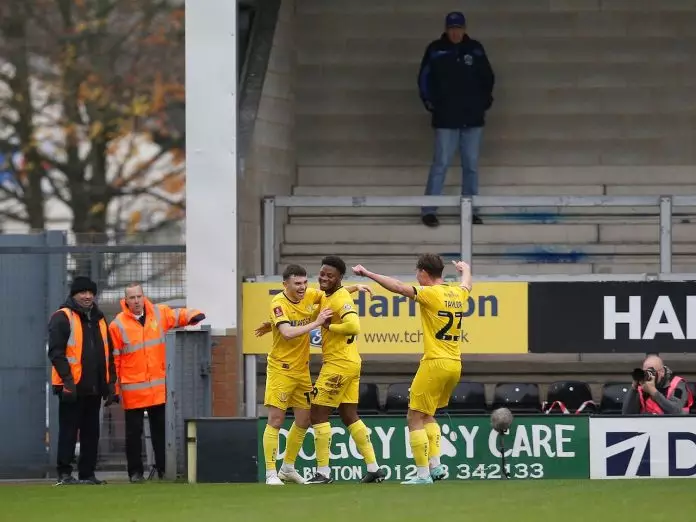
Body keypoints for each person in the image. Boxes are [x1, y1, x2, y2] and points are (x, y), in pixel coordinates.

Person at [352, 254, 471, 485]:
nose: (416, 277)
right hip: (455, 364)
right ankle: (436, 467)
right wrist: (465, 268)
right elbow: (467, 283)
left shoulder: (430, 293)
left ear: (424, 273)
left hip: (435, 362)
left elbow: (397, 287)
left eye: (418, 273)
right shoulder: (457, 293)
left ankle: (422, 474)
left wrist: (368, 274)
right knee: (427, 415)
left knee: (413, 417)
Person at [254, 264, 372, 485]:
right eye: (297, 283)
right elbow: (287, 332)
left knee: (304, 420)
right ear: (285, 284)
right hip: (281, 369)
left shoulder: (310, 295)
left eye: (304, 282)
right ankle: (271, 472)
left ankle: (288, 468)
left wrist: (355, 287)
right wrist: (316, 323)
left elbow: (334, 294)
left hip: (302, 371)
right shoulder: (278, 303)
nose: (302, 287)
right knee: (276, 419)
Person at [108, 282, 205, 482]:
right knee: (133, 434)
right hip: (132, 388)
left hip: (157, 387)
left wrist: (194, 315)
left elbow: (177, 315)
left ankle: (162, 469)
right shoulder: (117, 325)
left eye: (138, 297)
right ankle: (135, 473)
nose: (136, 301)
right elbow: (114, 360)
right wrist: (114, 388)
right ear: (125, 301)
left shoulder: (158, 313)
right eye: (131, 298)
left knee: (160, 431)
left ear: (144, 297)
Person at [304, 256, 387, 485]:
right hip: (351, 362)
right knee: (349, 415)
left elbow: (354, 326)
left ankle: (323, 473)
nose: (324, 278)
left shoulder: (339, 299)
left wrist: (329, 326)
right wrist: (355, 287)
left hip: (338, 364)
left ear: (339, 277)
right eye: (322, 273)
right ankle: (373, 467)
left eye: (330, 275)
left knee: (318, 414)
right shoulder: (334, 295)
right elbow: (339, 297)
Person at [418, 11, 495, 227]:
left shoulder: (475, 49)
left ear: (464, 28)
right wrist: (431, 104)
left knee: (470, 166)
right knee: (440, 164)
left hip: (472, 119)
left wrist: (484, 102)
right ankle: (429, 210)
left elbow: (488, 77)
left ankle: (469, 210)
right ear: (446, 29)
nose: (455, 32)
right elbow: (424, 79)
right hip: (446, 119)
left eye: (458, 28)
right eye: (452, 28)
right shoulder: (435, 49)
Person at [48, 276, 118, 486]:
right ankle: (65, 474)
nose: (87, 296)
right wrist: (68, 382)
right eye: (82, 292)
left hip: (94, 387)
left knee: (91, 433)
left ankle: (87, 474)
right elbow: (56, 353)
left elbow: (108, 354)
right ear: (74, 294)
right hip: (72, 387)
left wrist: (110, 384)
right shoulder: (62, 317)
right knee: (69, 432)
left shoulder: (99, 319)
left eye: (90, 292)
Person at [622, 355, 693, 415]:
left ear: (662, 372)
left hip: (674, 427)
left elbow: (676, 411)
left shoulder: (677, 384)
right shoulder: (642, 386)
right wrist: (634, 388)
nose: (648, 375)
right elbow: (626, 414)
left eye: (652, 372)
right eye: (645, 372)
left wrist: (653, 392)